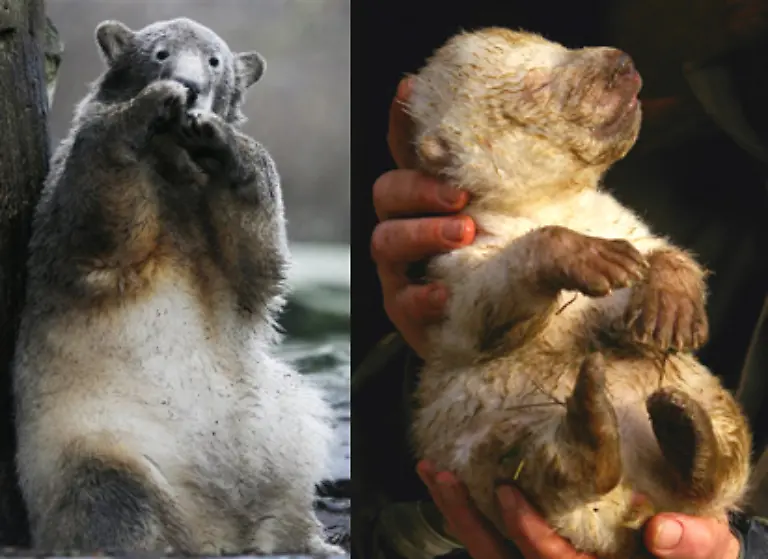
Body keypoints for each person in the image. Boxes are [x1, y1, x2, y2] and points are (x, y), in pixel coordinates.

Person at [352, 2, 768, 558]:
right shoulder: (672, 159)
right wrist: (406, 352)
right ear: (445, 151)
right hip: (548, 458)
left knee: (711, 415)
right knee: (517, 444)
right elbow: (473, 334)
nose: (616, 63)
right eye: (532, 87)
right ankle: (577, 458)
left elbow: (656, 261)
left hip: (655, 455)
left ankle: (703, 465)